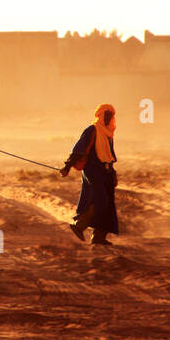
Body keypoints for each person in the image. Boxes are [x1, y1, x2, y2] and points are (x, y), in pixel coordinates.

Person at [60, 104, 119, 245]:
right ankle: (79, 226)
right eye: (107, 115)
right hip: (93, 171)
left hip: (106, 172)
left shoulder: (109, 133)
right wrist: (67, 166)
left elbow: (109, 155)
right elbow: (78, 149)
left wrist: (113, 173)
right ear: (100, 115)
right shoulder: (92, 130)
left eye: (111, 115)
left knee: (108, 204)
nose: (109, 118)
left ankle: (99, 237)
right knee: (100, 200)